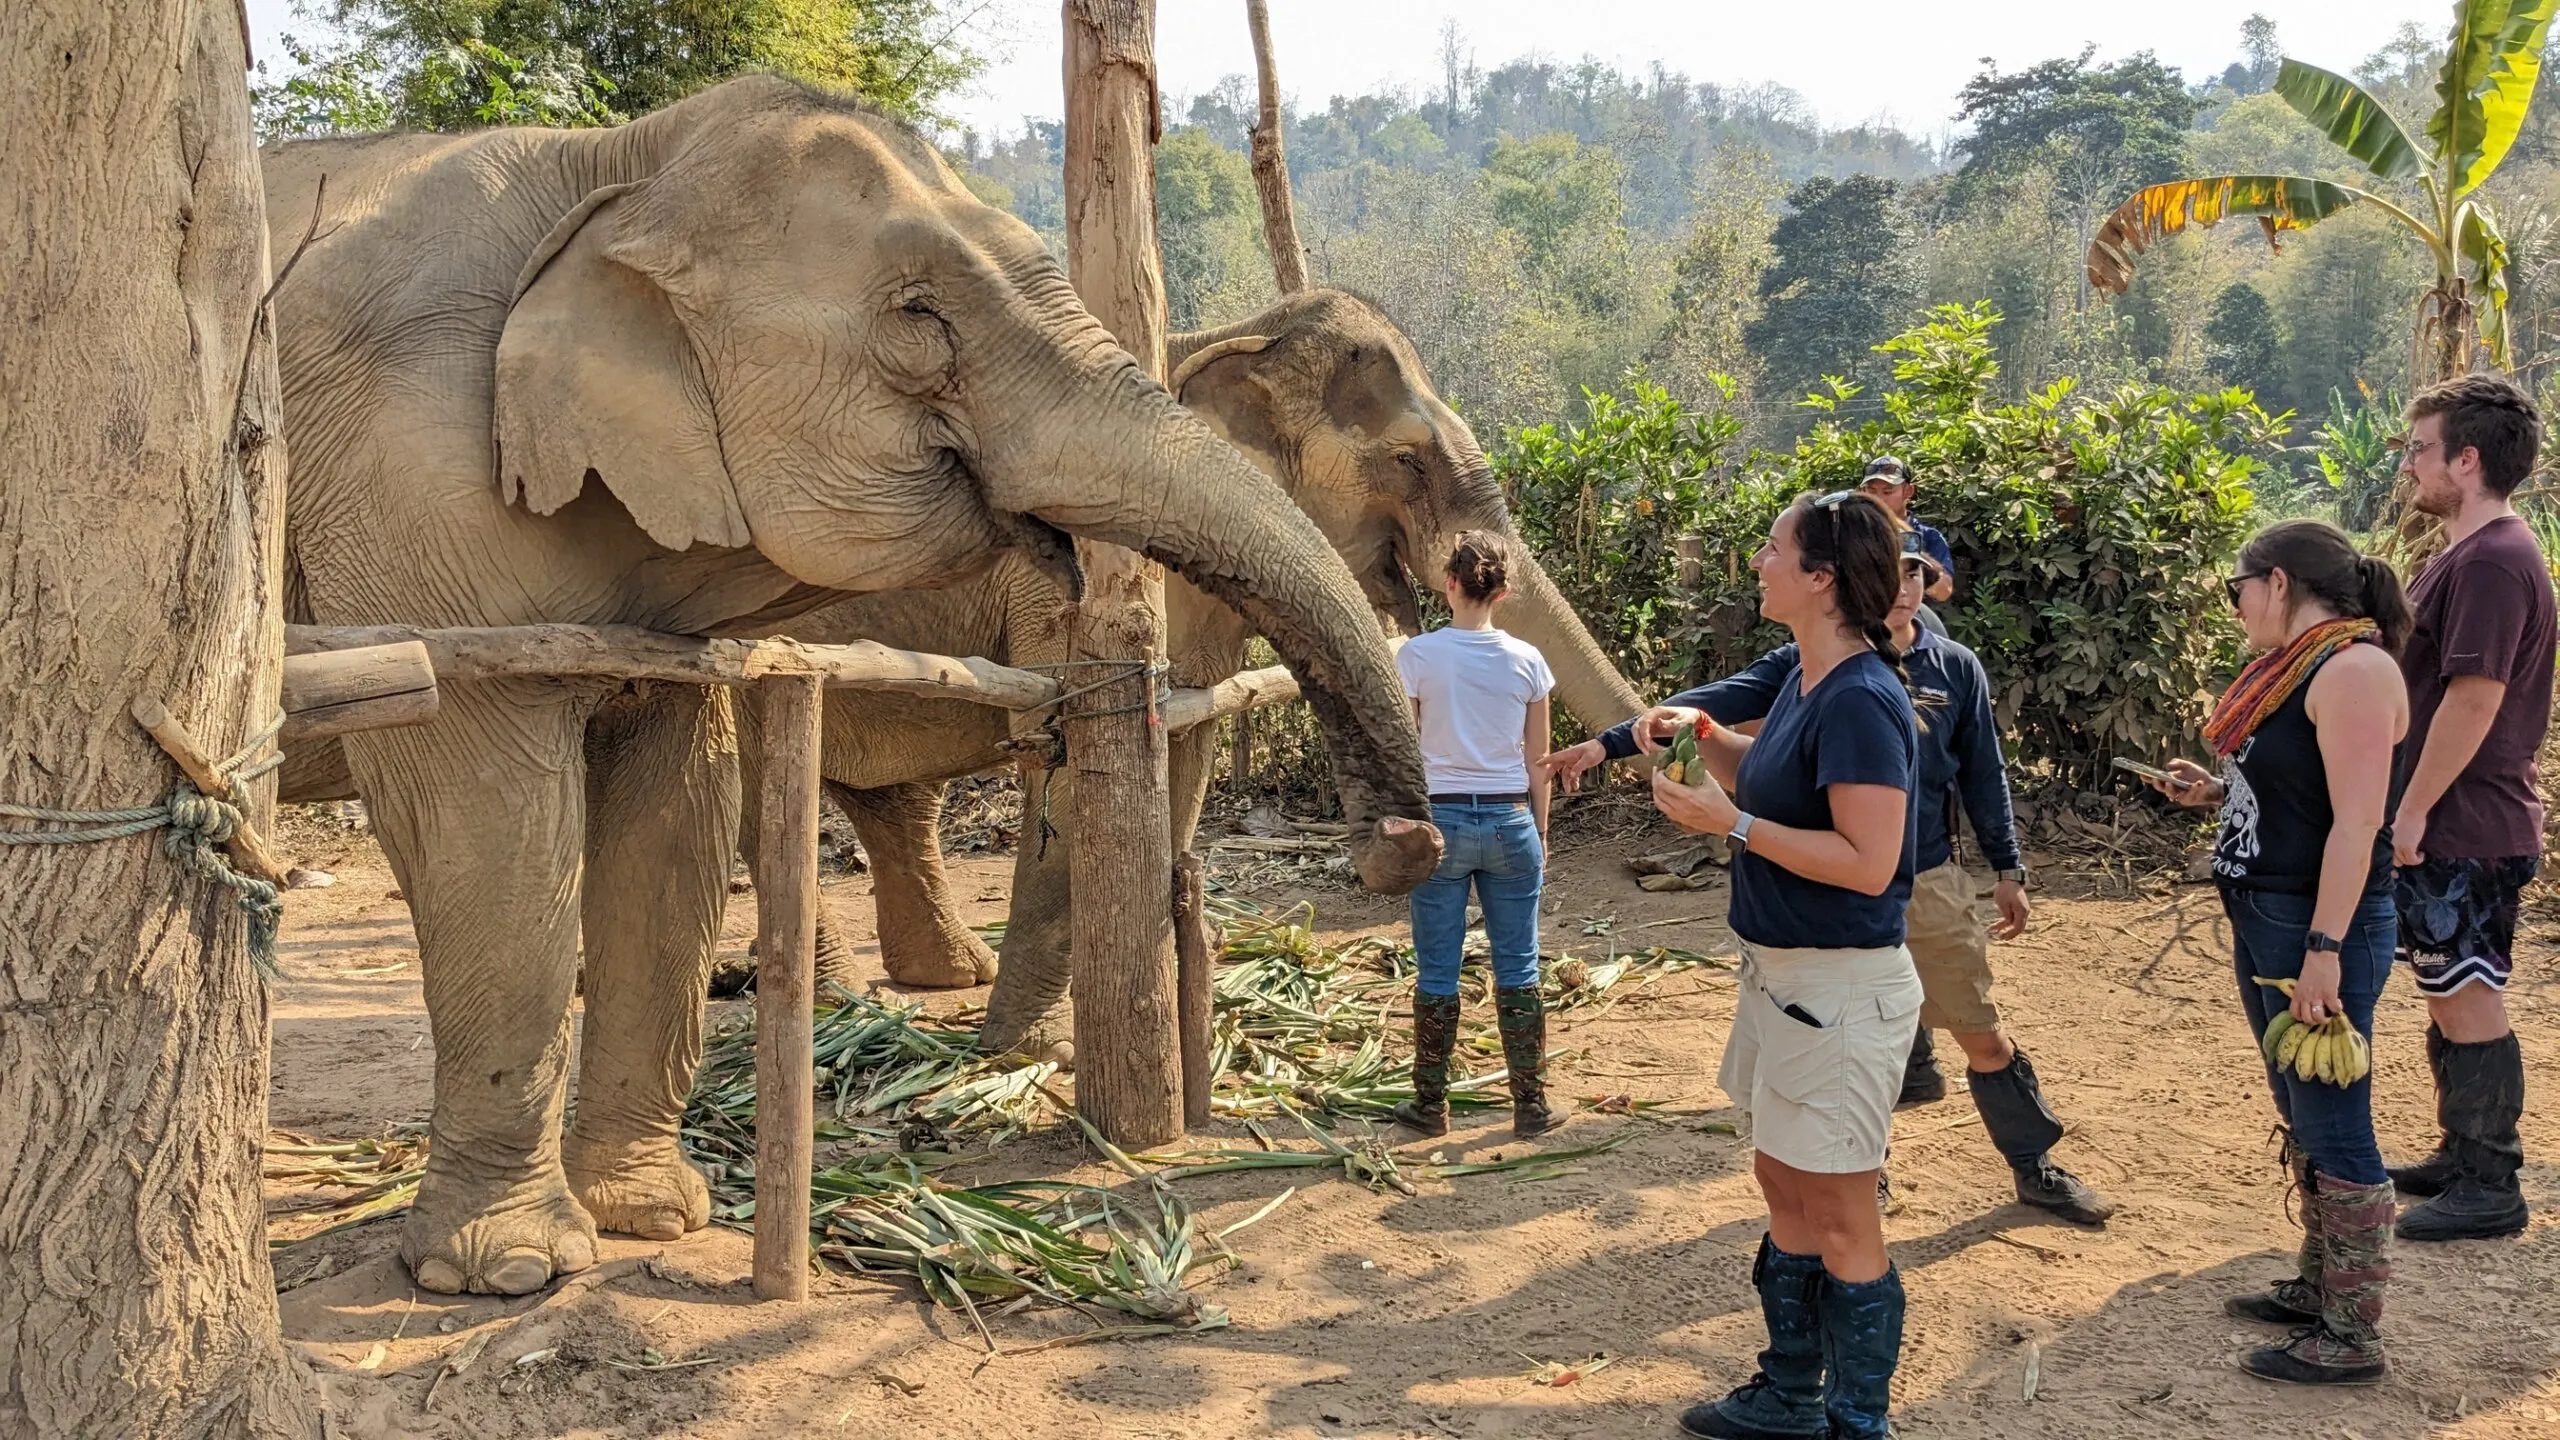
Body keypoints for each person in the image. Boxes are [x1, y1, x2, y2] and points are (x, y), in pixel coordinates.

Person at [1551, 531, 2113, 1226]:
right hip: (1837, 892)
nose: (1902, 584)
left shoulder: (1949, 668)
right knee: (1854, 1045)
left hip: (1927, 876)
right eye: (1891, 568)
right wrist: (1616, 739)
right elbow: (1714, 703)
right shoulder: (1807, 664)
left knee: (1979, 1033)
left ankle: (2033, 1165)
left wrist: (2008, 867)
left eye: (1915, 571)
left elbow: (1982, 773)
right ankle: (1862, 1173)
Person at [1590, 490, 1919, 1440]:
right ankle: (1788, 1392)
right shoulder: (1810, 682)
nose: (1758, 563)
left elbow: (1869, 863)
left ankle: (1859, 1421)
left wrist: (1731, 827)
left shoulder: (1860, 699)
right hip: (1784, 981)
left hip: (1842, 990)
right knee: (1785, 1185)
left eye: (1773, 550)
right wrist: (1707, 739)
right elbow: (1769, 773)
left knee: (1845, 1213)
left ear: (1821, 579)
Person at [2147, 519, 2410, 1386]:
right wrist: (2221, 793)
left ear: (2279, 581)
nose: (2235, 609)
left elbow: (2359, 823)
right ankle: (2319, 1289)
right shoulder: (2298, 671)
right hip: (2275, 915)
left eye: (2238, 590)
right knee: (2302, 1105)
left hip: (2315, 925)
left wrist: (2326, 949)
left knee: (2335, 1117)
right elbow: (2304, 791)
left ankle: (2352, 1335)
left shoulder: (2356, 670)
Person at [2381, 373, 2556, 1243]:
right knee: (2448, 987)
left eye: (2419, 449)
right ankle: (2461, 1153)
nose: (2410, 465)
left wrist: (2412, 807)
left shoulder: (2491, 559)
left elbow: (2473, 698)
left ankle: (2492, 1180)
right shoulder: (2470, 552)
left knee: (2468, 994)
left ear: (2468, 459)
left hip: (2466, 818)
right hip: (2464, 813)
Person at [1389, 531, 1559, 1140]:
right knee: (1518, 963)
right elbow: (1539, 759)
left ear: (1449, 585)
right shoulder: (1527, 660)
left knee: (1437, 967)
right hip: (1512, 820)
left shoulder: (1418, 657)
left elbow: (1404, 751)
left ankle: (1430, 1105)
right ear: (1504, 593)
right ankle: (1531, 1105)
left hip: (1443, 823)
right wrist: (1539, 831)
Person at [1859, 456, 1954, 603]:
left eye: (1887, 492)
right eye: (1871, 491)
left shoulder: (1929, 537)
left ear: (1908, 491)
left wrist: (1911, 558)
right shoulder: (1852, 532)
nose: (1878, 499)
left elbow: (1944, 591)